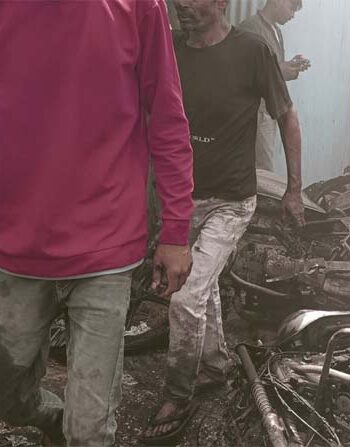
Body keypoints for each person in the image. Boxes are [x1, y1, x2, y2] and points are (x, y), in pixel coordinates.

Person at [0, 1, 195, 445]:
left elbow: (167, 117)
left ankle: (76, 428)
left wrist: (176, 230)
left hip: (106, 247)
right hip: (15, 248)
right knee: (7, 397)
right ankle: (52, 418)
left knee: (88, 432)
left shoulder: (139, 6)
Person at [140, 0, 305, 443]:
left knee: (186, 296)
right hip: (181, 201)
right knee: (204, 283)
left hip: (231, 201)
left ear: (221, 3)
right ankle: (214, 367)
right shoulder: (171, 49)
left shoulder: (251, 51)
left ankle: (179, 393)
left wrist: (294, 189)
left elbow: (287, 116)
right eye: (177, 0)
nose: (182, 7)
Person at [239, 0, 308, 172]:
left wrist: (290, 66)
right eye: (292, 8)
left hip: (269, 111)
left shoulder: (276, 31)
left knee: (262, 169)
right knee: (263, 171)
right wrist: (280, 71)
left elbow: (272, 68)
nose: (292, 15)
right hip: (256, 113)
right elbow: (243, 73)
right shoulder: (250, 28)